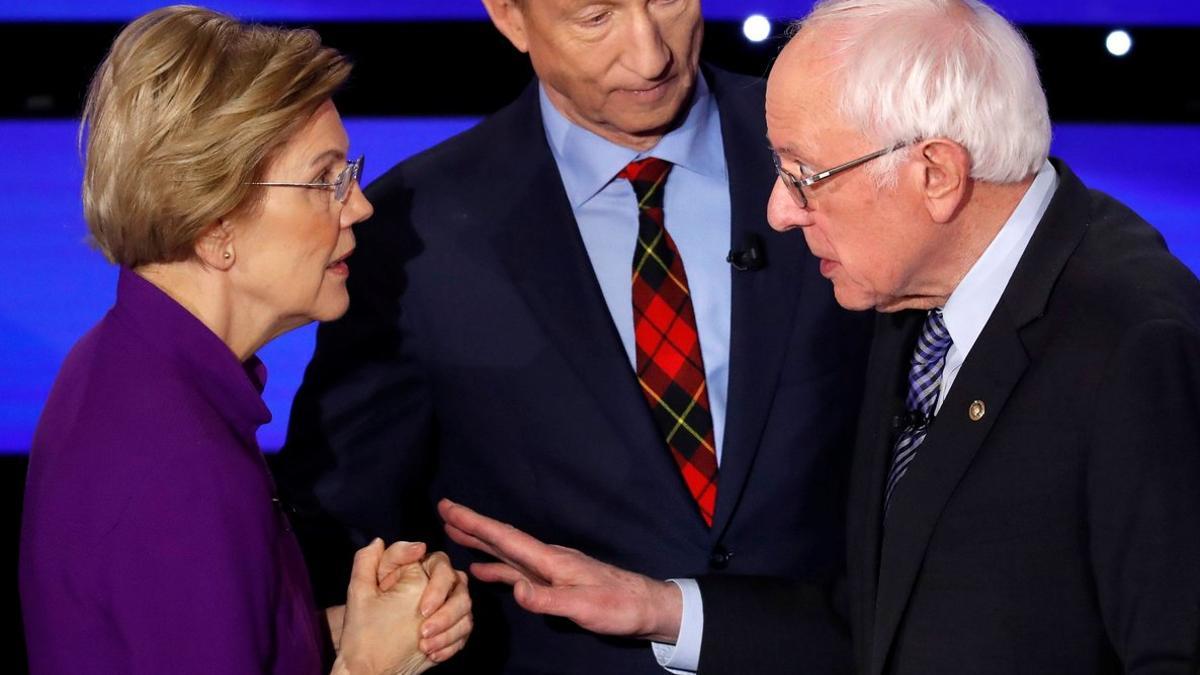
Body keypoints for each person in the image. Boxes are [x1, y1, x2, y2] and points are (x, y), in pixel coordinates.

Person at [439, 0, 1200, 672]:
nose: (777, 212)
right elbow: (888, 624)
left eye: (804, 175)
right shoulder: (917, 310)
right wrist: (660, 607)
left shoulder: (1136, 342)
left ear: (935, 173)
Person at [275, 0, 872, 671]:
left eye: (669, 1)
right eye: (595, 18)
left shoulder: (849, 150)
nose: (651, 56)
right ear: (509, 17)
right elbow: (341, 523)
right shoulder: (413, 234)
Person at [19, 6, 472, 674]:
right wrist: (372, 667)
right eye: (325, 180)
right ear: (216, 227)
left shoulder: (123, 364)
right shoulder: (177, 466)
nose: (360, 206)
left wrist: (350, 627)